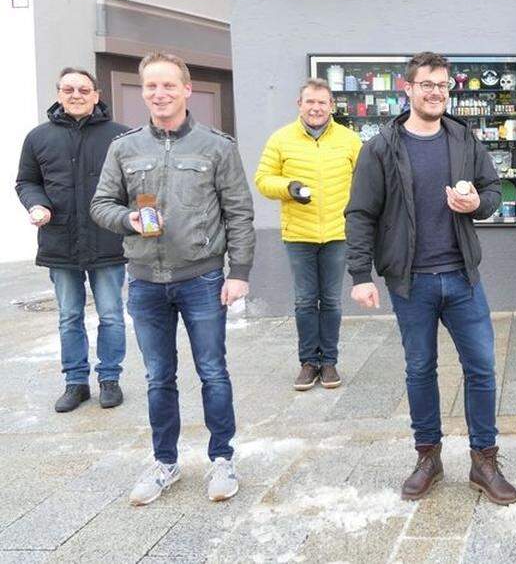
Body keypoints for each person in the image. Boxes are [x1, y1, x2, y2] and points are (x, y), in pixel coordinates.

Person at [345, 52, 516, 506]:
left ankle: (484, 460)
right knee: (420, 369)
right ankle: (428, 457)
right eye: (427, 84)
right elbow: (360, 213)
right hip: (412, 282)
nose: (436, 91)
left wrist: (476, 204)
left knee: (481, 368)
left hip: (463, 277)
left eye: (442, 84)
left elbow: (494, 190)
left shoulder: (462, 137)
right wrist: (360, 274)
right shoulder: (382, 146)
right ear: (409, 89)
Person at [91, 52, 255, 506]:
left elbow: (239, 212)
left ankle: (222, 458)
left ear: (187, 90)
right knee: (158, 376)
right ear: (142, 92)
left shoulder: (217, 146)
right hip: (144, 281)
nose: (159, 94)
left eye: (168, 86)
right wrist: (128, 220)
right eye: (151, 87)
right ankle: (165, 462)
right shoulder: (124, 148)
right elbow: (101, 204)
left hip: (201, 279)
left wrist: (238, 272)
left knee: (213, 372)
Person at [15, 68, 129, 412]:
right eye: (68, 89)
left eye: (83, 89)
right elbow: (27, 181)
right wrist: (36, 203)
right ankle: (75, 382)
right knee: (68, 315)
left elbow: (134, 185)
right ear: (59, 94)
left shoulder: (120, 137)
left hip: (107, 239)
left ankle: (109, 379)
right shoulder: (38, 137)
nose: (76, 94)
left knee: (111, 314)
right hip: (59, 239)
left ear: (96, 95)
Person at [255, 78, 362, 391]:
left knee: (330, 300)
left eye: (322, 102)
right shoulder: (281, 139)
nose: (316, 108)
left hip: (337, 232)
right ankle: (308, 362)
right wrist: (287, 188)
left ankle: (328, 361)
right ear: (299, 105)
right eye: (310, 102)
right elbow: (263, 179)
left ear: (331, 106)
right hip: (298, 233)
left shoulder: (349, 139)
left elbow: (366, 178)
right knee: (304, 300)